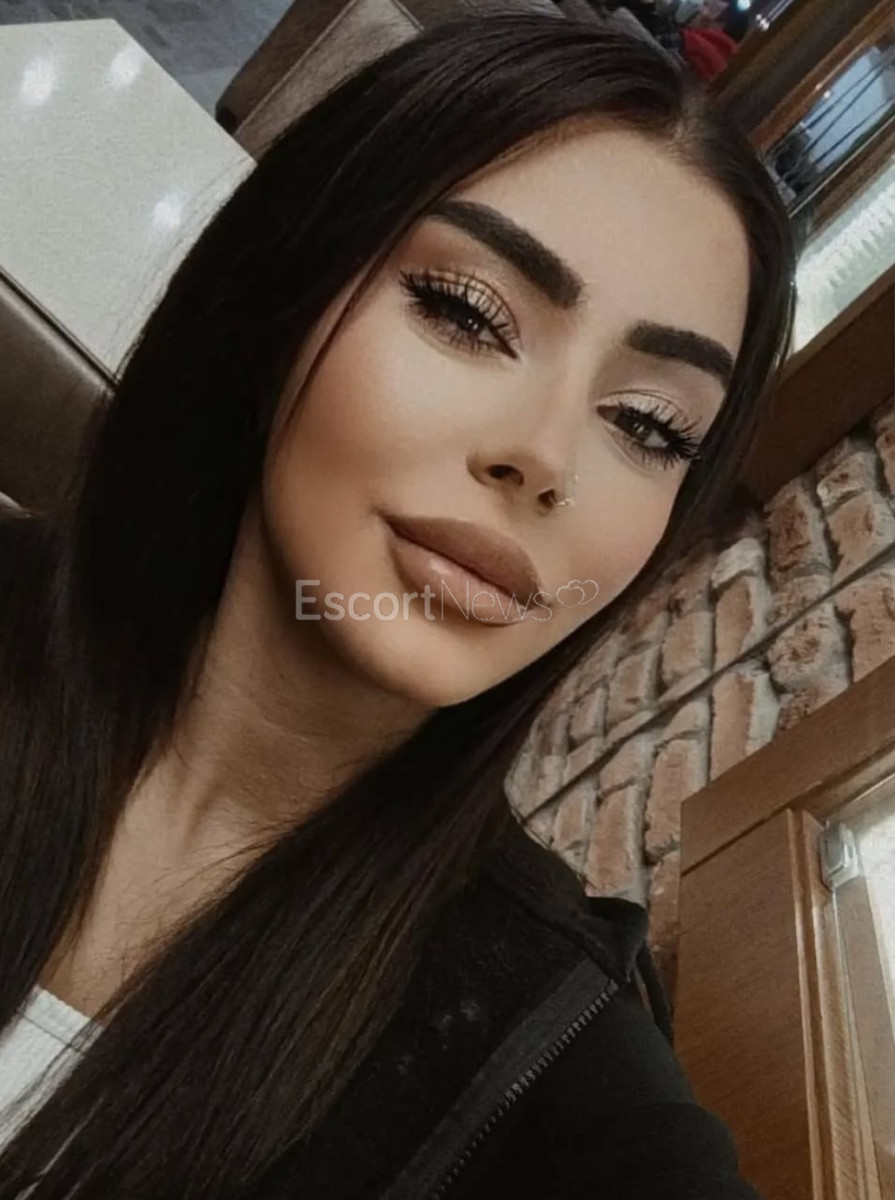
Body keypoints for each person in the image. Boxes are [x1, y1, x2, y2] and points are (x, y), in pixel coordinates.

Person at [0, 11, 798, 1198]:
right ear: (287, 295)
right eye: (467, 314)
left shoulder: (556, 1075)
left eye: (647, 425)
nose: (543, 459)